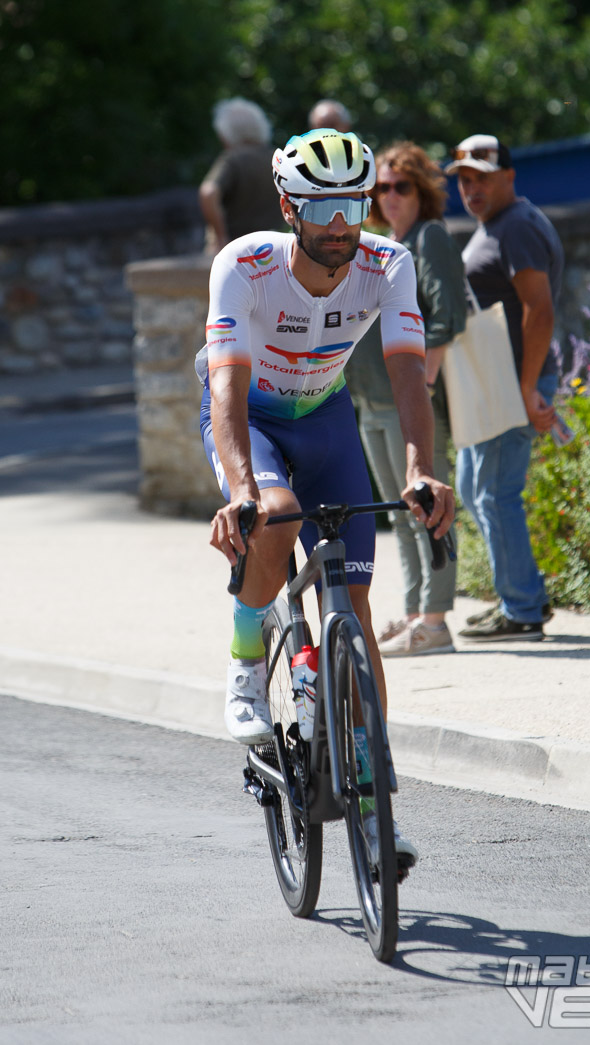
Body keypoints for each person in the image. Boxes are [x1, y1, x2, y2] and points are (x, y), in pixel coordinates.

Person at [196, 127, 455, 864]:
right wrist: (242, 489)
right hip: (254, 420)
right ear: (288, 206)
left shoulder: (388, 261)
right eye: (323, 209)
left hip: (329, 420)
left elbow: (409, 371)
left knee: (358, 608)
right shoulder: (243, 265)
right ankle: (248, 657)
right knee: (274, 516)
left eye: (354, 205)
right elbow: (225, 385)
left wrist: (416, 470)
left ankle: (375, 806)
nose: (343, 226)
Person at [347, 142, 467, 657]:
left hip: (406, 401)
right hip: (370, 400)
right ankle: (418, 612)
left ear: (422, 191)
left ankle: (436, 622)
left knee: (425, 504)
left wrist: (425, 383)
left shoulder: (429, 238)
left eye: (401, 186)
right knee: (399, 511)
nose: (390, 197)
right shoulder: (381, 244)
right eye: (381, 188)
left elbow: (448, 316)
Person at [444, 134, 563, 641]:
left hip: (515, 382)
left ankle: (523, 610)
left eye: (482, 177)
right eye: (464, 179)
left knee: (495, 493)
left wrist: (529, 386)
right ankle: (520, 596)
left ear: (509, 176)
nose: (471, 188)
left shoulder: (515, 227)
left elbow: (540, 309)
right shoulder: (503, 223)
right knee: (477, 489)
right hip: (503, 382)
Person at [198, 98, 280, 254]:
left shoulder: (232, 159)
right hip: (275, 247)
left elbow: (208, 193)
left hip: (237, 250)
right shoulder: (278, 157)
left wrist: (221, 238)